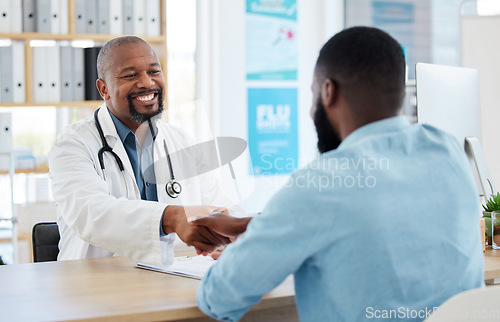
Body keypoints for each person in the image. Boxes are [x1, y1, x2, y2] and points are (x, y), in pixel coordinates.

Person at [193, 27, 484, 321]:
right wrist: (256, 225)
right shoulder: (446, 149)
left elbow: (220, 298)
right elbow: (385, 213)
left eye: (312, 95)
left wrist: (243, 251)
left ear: (328, 92)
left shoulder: (322, 183)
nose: (310, 111)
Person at [48, 36, 242, 266]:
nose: (146, 83)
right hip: (93, 285)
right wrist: (171, 217)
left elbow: (218, 203)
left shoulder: (180, 141)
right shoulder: (72, 144)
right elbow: (91, 213)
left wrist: (237, 237)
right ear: (104, 89)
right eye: (130, 75)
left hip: (169, 279)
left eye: (154, 71)